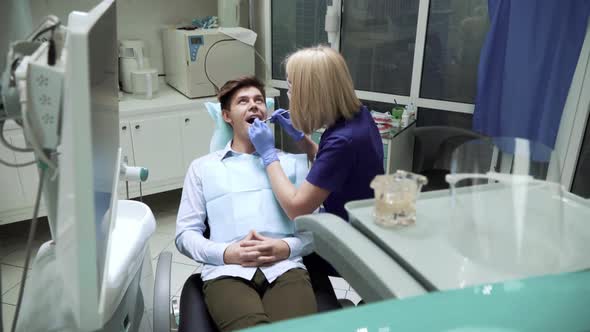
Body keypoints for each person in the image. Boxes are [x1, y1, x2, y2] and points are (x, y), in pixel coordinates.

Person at [175, 76, 317, 331]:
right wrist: (226, 253)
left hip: (285, 269)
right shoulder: (203, 168)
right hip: (227, 271)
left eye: (259, 100)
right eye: (243, 101)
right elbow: (185, 234)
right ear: (227, 116)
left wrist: (284, 247)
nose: (254, 106)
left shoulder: (291, 164)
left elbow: (317, 231)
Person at [248, 45, 384, 222]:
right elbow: (334, 166)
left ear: (310, 93)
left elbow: (297, 209)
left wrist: (268, 153)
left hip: (352, 233)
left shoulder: (343, 141)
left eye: (290, 85)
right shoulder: (358, 115)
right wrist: (302, 140)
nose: (288, 93)